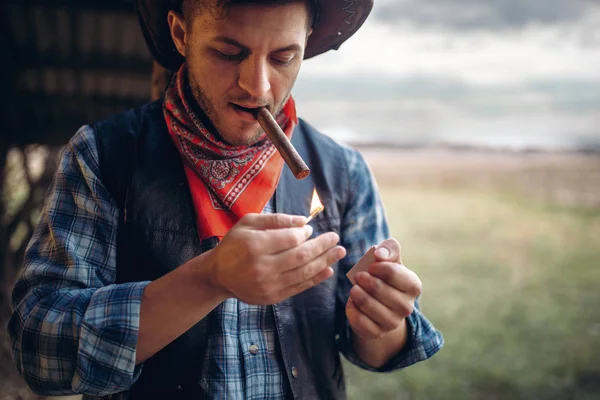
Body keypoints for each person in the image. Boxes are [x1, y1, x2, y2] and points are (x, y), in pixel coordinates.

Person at [8, 0, 443, 398]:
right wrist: (207, 280)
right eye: (228, 53)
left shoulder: (343, 172)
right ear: (181, 35)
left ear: (306, 44)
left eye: (283, 57)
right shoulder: (103, 156)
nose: (257, 86)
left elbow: (374, 351)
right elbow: (39, 349)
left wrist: (382, 319)